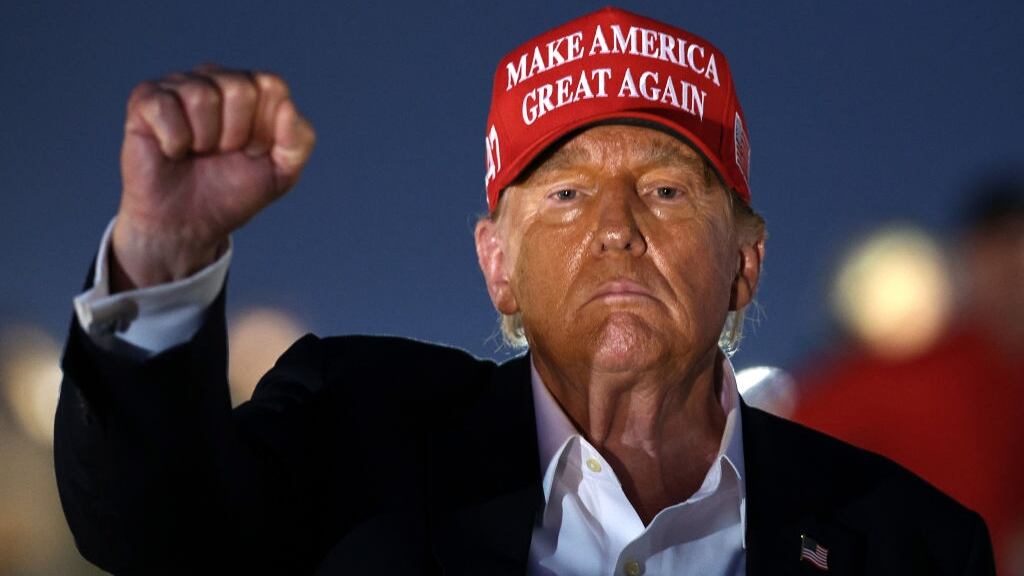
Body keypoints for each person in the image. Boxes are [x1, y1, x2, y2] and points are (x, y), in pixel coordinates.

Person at [55, 8, 995, 575]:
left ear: (746, 262)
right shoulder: (354, 437)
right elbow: (152, 532)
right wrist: (165, 255)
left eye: (667, 191)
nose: (617, 228)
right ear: (497, 265)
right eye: (566, 195)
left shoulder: (914, 546)